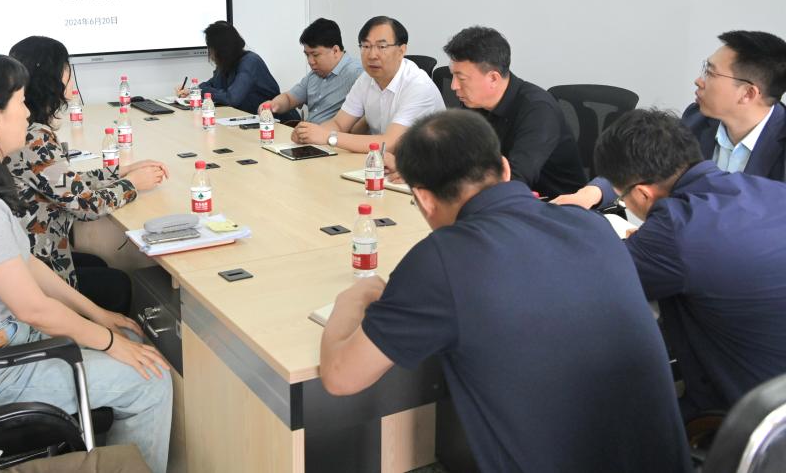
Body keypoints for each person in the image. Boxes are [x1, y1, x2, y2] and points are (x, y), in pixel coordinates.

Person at [319, 111, 691, 473]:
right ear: (505, 168)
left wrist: (352, 300)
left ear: (424, 198)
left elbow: (340, 377)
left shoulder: (442, 259)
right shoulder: (590, 225)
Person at [0, 53, 172, 473]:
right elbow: (33, 309)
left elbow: (26, 263)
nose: (29, 114)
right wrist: (108, 341)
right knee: (151, 379)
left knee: (129, 340)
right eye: (20, 102)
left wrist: (98, 315)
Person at [593, 108, 786, 420]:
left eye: (622, 198)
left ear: (642, 194)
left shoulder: (675, 228)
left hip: (753, 420)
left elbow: (596, 280)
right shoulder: (768, 190)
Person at [5, 36, 168, 314]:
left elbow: (65, 182)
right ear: (51, 77)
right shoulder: (34, 138)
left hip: (33, 250)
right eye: (65, 67)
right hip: (37, 264)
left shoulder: (28, 127)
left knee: (99, 264)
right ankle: (106, 333)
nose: (70, 74)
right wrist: (132, 184)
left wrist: (120, 171)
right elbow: (86, 206)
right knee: (118, 284)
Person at [556, 29, 786, 209]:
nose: (699, 80)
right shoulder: (697, 119)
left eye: (710, 72)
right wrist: (591, 193)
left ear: (748, 94)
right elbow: (644, 164)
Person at [431, 25, 586, 196]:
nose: (454, 86)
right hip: (503, 199)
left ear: (493, 78)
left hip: (555, 204)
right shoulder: (474, 103)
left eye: (461, 78)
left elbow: (515, 180)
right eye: (453, 75)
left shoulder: (538, 110)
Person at [291, 16, 444, 153]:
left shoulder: (418, 85)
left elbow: (390, 143)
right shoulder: (366, 79)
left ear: (401, 50)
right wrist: (308, 134)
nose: (372, 55)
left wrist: (328, 137)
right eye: (365, 46)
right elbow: (338, 123)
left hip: (427, 167)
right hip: (384, 162)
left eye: (381, 47)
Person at [258, 18, 362, 124]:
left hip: (331, 134)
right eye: (307, 55)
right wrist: (273, 105)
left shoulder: (358, 74)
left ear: (335, 50)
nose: (310, 61)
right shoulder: (315, 74)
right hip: (307, 131)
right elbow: (289, 98)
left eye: (315, 55)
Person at [174, 21, 279, 113]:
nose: (210, 54)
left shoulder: (250, 62)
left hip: (272, 121)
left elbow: (232, 98)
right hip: (246, 117)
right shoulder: (227, 63)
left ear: (221, 49)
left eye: (210, 48)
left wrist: (201, 91)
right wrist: (192, 90)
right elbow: (212, 84)